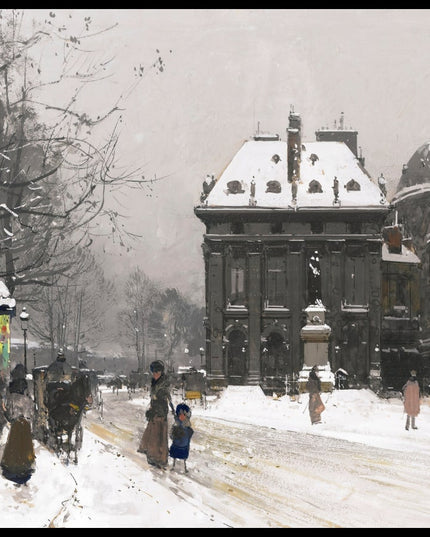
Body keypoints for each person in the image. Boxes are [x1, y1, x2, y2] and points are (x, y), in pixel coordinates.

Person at [1, 363, 35, 484]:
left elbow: (9, 412)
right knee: (24, 446)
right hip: (24, 423)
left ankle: (12, 468)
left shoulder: (11, 392)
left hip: (15, 423)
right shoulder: (26, 392)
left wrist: (8, 414)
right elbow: (30, 409)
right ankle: (24, 468)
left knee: (14, 445)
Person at [137, 360, 173, 469]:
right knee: (153, 433)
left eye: (157, 372)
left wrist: (155, 406)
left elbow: (162, 399)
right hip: (155, 410)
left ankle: (160, 458)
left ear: (161, 372)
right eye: (153, 372)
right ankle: (153, 456)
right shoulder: (155, 382)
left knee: (159, 435)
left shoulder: (164, 383)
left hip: (161, 411)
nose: (155, 374)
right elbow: (153, 397)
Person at [169, 403, 194, 473]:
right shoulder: (177, 423)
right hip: (177, 443)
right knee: (175, 452)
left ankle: (184, 466)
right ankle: (174, 465)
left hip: (184, 443)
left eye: (184, 414)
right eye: (180, 414)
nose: (182, 415)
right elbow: (171, 434)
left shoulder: (186, 423)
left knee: (184, 452)